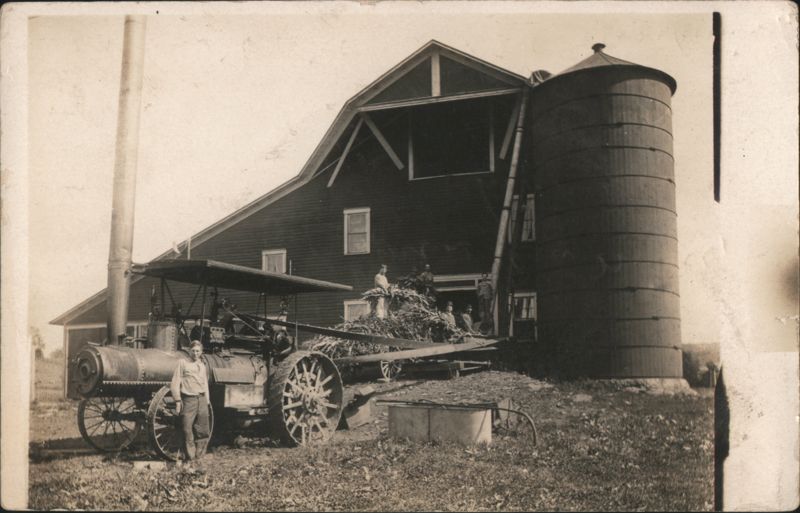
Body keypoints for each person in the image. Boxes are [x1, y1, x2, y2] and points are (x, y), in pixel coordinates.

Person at [170, 340, 211, 462]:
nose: (195, 353)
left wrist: (207, 402)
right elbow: (175, 382)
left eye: (198, 351)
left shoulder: (202, 366)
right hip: (189, 400)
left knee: (203, 429)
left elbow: (205, 385)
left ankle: (199, 457)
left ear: (201, 352)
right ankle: (190, 457)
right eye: (193, 351)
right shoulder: (183, 363)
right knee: (186, 429)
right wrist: (177, 400)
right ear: (189, 351)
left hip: (202, 399)